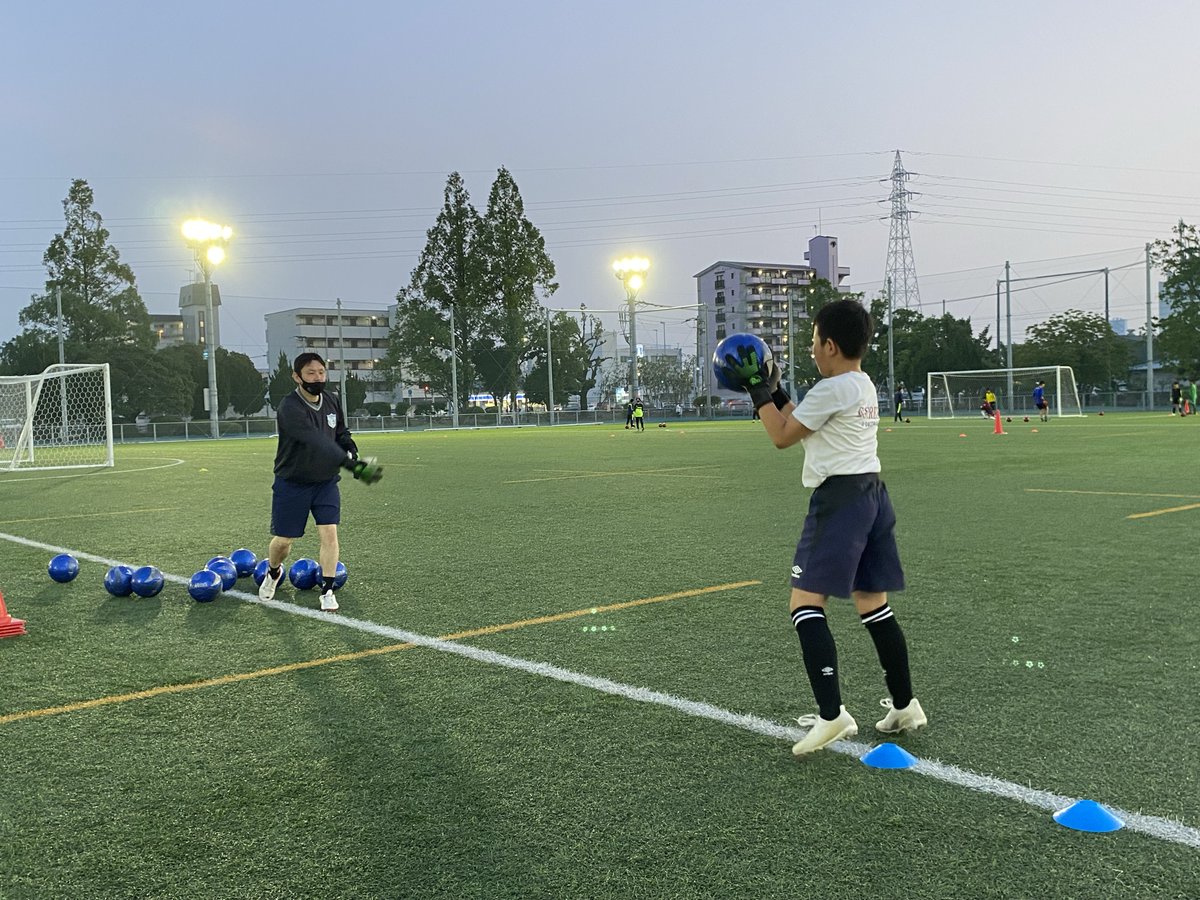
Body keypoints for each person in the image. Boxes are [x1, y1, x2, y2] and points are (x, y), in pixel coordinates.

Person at [722, 299, 925, 756]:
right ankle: (905, 705)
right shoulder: (861, 384)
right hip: (872, 494)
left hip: (840, 501)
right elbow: (804, 424)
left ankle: (832, 716)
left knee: (805, 604)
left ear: (830, 345)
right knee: (873, 604)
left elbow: (782, 436)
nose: (812, 349)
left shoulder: (831, 389)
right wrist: (776, 391)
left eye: (815, 341)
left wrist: (757, 390)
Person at [258, 352, 383, 612]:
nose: (317, 378)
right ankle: (273, 571)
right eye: (311, 373)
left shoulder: (332, 400)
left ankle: (327, 590)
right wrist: (352, 465)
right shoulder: (289, 407)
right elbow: (315, 441)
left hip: (325, 482)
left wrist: (350, 447)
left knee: (329, 533)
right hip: (293, 482)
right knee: (284, 541)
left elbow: (340, 432)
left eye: (321, 372)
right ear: (297, 377)